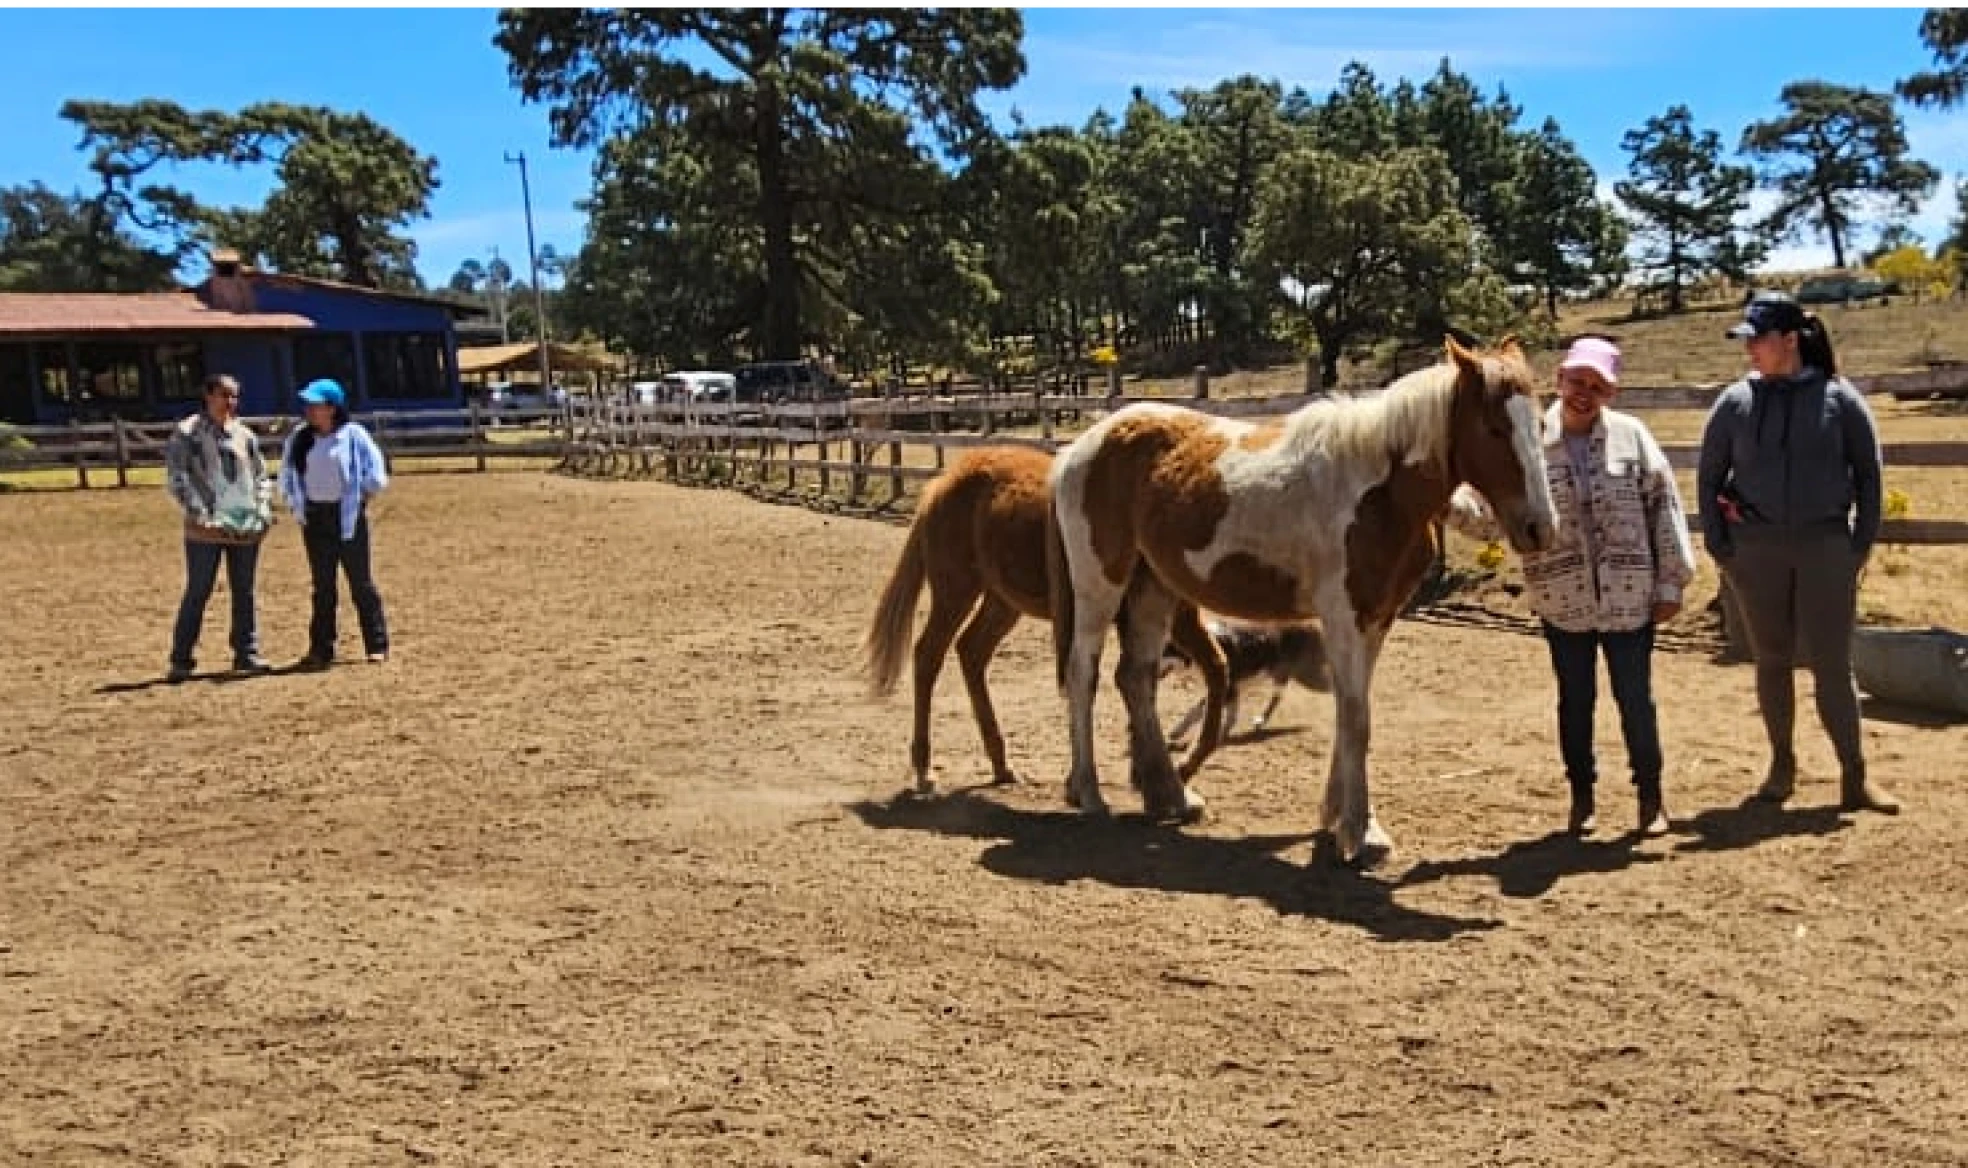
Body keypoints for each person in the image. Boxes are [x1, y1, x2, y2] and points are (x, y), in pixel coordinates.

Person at [1449, 336, 1694, 837]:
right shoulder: (1530, 439)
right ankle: (1582, 799)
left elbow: (1663, 507)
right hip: (1561, 597)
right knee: (1574, 700)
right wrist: (1448, 506)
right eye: (1577, 381)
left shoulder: (1632, 437)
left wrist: (1672, 581)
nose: (1584, 393)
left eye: (1597, 386)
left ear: (1611, 393)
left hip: (1629, 596)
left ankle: (1651, 800)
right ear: (1559, 379)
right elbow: (1496, 516)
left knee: (1636, 700)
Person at [1696, 290, 1899, 815]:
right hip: (1755, 551)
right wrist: (1722, 546)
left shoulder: (1841, 398)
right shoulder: (1736, 402)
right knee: (1771, 659)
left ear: (1790, 340)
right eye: (1747, 341)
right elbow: (1708, 475)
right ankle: (1781, 764)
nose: (1750, 351)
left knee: (1832, 663)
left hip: (1825, 545)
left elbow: (1870, 476)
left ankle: (1854, 774)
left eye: (1758, 340)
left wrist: (1858, 544)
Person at [163, 373, 274, 681]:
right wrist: (199, 513)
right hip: (205, 527)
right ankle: (181, 658)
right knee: (199, 590)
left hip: (244, 523)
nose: (230, 402)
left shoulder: (244, 435)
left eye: (234, 396)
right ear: (208, 395)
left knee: (244, 590)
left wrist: (262, 509)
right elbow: (177, 477)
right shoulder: (188, 433)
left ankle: (246, 652)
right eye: (225, 395)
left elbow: (260, 475)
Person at [279, 378, 392, 668]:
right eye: (309, 405)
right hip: (315, 519)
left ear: (332, 408)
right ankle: (321, 648)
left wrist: (363, 494)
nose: (310, 410)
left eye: (316, 405)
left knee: (361, 584)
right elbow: (288, 476)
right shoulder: (299, 439)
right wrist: (295, 504)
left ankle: (376, 644)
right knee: (323, 586)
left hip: (348, 516)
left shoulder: (354, 436)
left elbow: (376, 472)